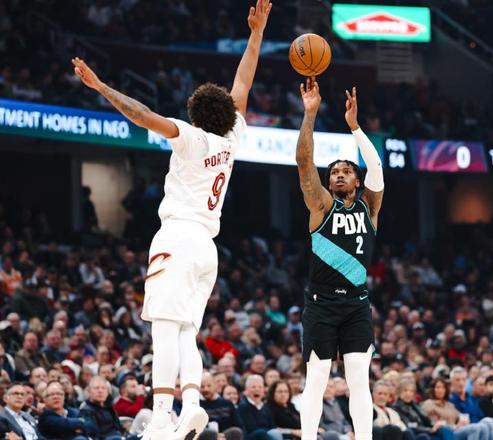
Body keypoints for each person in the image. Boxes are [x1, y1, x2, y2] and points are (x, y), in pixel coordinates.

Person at [71, 1, 272, 439]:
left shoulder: (192, 138)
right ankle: (193, 405)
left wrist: (101, 87)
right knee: (185, 331)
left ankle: (162, 413)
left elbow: (143, 115)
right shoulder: (232, 137)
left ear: (196, 114)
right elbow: (242, 83)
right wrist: (255, 35)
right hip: (206, 247)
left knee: (164, 328)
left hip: (178, 237)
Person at [295, 78, 384, 440]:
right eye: (334, 172)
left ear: (357, 181)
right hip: (321, 303)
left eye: (346, 171)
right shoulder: (321, 205)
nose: (339, 174)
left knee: (359, 379)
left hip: (357, 304)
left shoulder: (370, 207)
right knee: (317, 378)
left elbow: (376, 166)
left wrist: (355, 128)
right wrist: (310, 114)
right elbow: (304, 163)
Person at [421, 378, 490, 440]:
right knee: (474, 428)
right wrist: (455, 426)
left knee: (484, 425)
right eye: (438, 387)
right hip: (446, 432)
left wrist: (464, 421)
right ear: (433, 389)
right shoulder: (429, 404)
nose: (441, 390)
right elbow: (435, 424)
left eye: (443, 388)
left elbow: (461, 416)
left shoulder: (449, 405)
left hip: (456, 430)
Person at [391, 380, 456, 440]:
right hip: (418, 434)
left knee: (445, 430)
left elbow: (427, 420)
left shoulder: (415, 405)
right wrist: (429, 430)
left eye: (411, 391)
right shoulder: (396, 408)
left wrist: (435, 425)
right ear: (399, 392)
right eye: (405, 390)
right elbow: (408, 426)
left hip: (427, 431)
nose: (408, 393)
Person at [199, 372, 244, 440]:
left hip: (226, 437)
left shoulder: (227, 404)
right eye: (202, 387)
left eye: (209, 386)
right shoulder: (198, 406)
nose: (206, 389)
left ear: (215, 385)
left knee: (236, 431)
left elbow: (239, 425)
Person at [238, 375, 281, 440]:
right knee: (262, 433)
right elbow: (251, 428)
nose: (257, 389)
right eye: (253, 387)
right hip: (252, 437)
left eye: (260, 387)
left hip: (267, 436)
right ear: (246, 390)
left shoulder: (266, 407)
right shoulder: (243, 406)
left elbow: (272, 426)